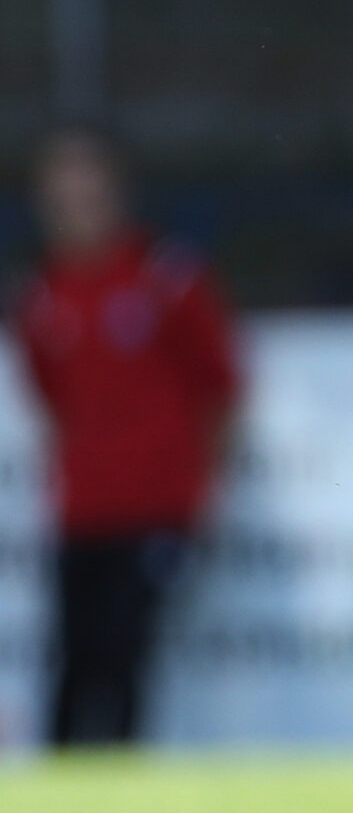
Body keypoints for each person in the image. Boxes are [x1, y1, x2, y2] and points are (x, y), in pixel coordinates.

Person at [8, 127, 240, 747]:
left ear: (116, 191)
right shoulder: (41, 295)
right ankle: (59, 805)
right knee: (71, 658)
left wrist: (198, 491)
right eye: (61, 187)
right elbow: (51, 395)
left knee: (124, 655)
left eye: (88, 183)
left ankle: (120, 791)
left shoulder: (165, 278)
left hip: (158, 505)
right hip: (81, 510)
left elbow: (219, 387)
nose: (75, 199)